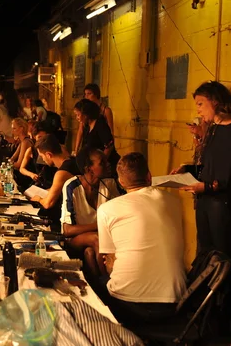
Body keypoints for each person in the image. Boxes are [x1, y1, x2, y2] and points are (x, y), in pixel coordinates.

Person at [172, 81, 231, 346]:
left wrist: (204, 185)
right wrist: (187, 170)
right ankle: (211, 319)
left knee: (225, 266)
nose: (198, 110)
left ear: (215, 102)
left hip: (222, 206)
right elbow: (210, 168)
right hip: (207, 202)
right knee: (206, 260)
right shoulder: (215, 129)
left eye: (200, 104)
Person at [97, 152, 187, 325]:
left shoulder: (106, 209)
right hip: (175, 303)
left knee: (96, 281)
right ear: (149, 176)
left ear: (121, 182)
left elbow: (110, 261)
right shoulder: (173, 201)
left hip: (128, 303)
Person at [61, 148, 122, 277]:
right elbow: (67, 230)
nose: (108, 164)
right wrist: (99, 225)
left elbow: (118, 215)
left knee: (89, 252)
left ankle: (99, 289)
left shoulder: (109, 184)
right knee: (97, 238)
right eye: (102, 163)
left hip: (98, 237)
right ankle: (109, 281)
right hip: (74, 240)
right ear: (89, 169)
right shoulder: (72, 186)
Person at [29, 134, 81, 230]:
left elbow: (48, 203)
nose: (43, 160)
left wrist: (39, 199)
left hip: (69, 219)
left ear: (49, 155)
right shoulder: (72, 161)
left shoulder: (62, 173)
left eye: (42, 156)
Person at [73, 99, 120, 172]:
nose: (77, 118)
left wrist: (101, 163)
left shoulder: (100, 124)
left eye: (78, 115)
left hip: (107, 165)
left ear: (85, 114)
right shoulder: (87, 126)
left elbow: (109, 145)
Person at [74, 83, 114, 152]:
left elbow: (110, 131)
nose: (86, 96)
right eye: (85, 94)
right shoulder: (85, 111)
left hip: (101, 146)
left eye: (89, 94)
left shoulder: (105, 111)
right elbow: (80, 130)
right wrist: (76, 149)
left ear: (96, 94)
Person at [19, 123, 56, 191]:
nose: (42, 140)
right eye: (39, 137)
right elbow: (22, 168)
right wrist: (31, 174)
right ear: (34, 137)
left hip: (53, 183)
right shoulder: (31, 150)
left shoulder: (54, 149)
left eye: (44, 137)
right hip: (39, 182)